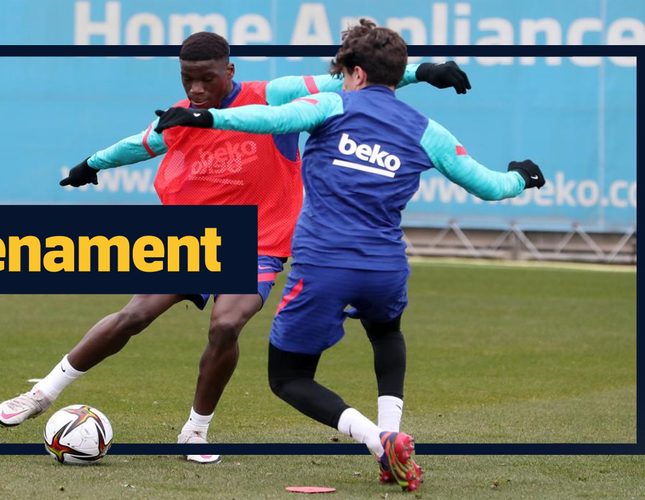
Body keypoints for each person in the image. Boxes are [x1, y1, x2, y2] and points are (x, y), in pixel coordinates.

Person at [0, 31, 472, 466]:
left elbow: (352, 83)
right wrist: (92, 164)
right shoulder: (184, 115)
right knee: (134, 315)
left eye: (207, 78)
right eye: (187, 79)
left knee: (226, 324)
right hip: (196, 240)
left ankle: (195, 430)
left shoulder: (275, 95)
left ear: (230, 70)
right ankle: (42, 394)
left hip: (259, 243)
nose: (196, 89)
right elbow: (139, 144)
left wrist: (422, 71)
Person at [154, 20, 545, 490]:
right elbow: (489, 185)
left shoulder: (332, 104)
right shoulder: (427, 130)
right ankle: (393, 433)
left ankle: (378, 440)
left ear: (355, 73)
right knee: (386, 334)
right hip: (386, 267)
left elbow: (269, 119)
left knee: (289, 378)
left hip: (323, 266)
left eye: (341, 71)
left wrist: (208, 119)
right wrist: (522, 177)